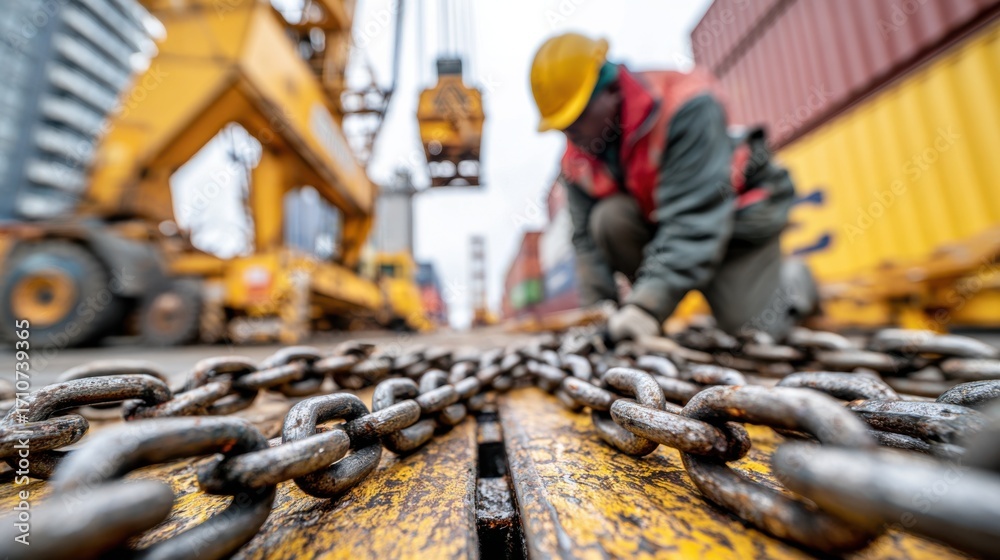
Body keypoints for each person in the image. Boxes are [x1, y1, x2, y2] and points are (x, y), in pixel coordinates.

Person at [529, 33, 817, 342]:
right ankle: (657, 299)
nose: (571, 137)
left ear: (611, 90)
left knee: (754, 333)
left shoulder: (686, 105)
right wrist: (598, 317)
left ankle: (794, 284)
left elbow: (695, 220)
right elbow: (587, 242)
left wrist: (645, 307)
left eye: (576, 120)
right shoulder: (578, 159)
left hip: (736, 218)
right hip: (668, 224)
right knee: (608, 220)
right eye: (563, 128)